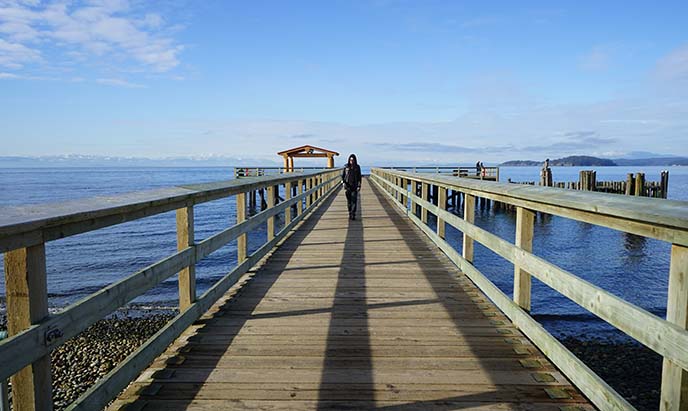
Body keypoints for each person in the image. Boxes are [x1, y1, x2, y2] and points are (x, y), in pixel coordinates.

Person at [342, 154, 362, 220]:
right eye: (350, 160)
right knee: (349, 201)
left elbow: (359, 177)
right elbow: (343, 176)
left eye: (353, 160)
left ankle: (353, 214)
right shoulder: (346, 167)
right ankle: (350, 212)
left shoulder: (357, 167)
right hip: (348, 186)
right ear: (349, 160)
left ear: (355, 160)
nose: (352, 161)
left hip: (354, 186)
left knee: (354, 200)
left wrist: (359, 186)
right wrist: (343, 183)